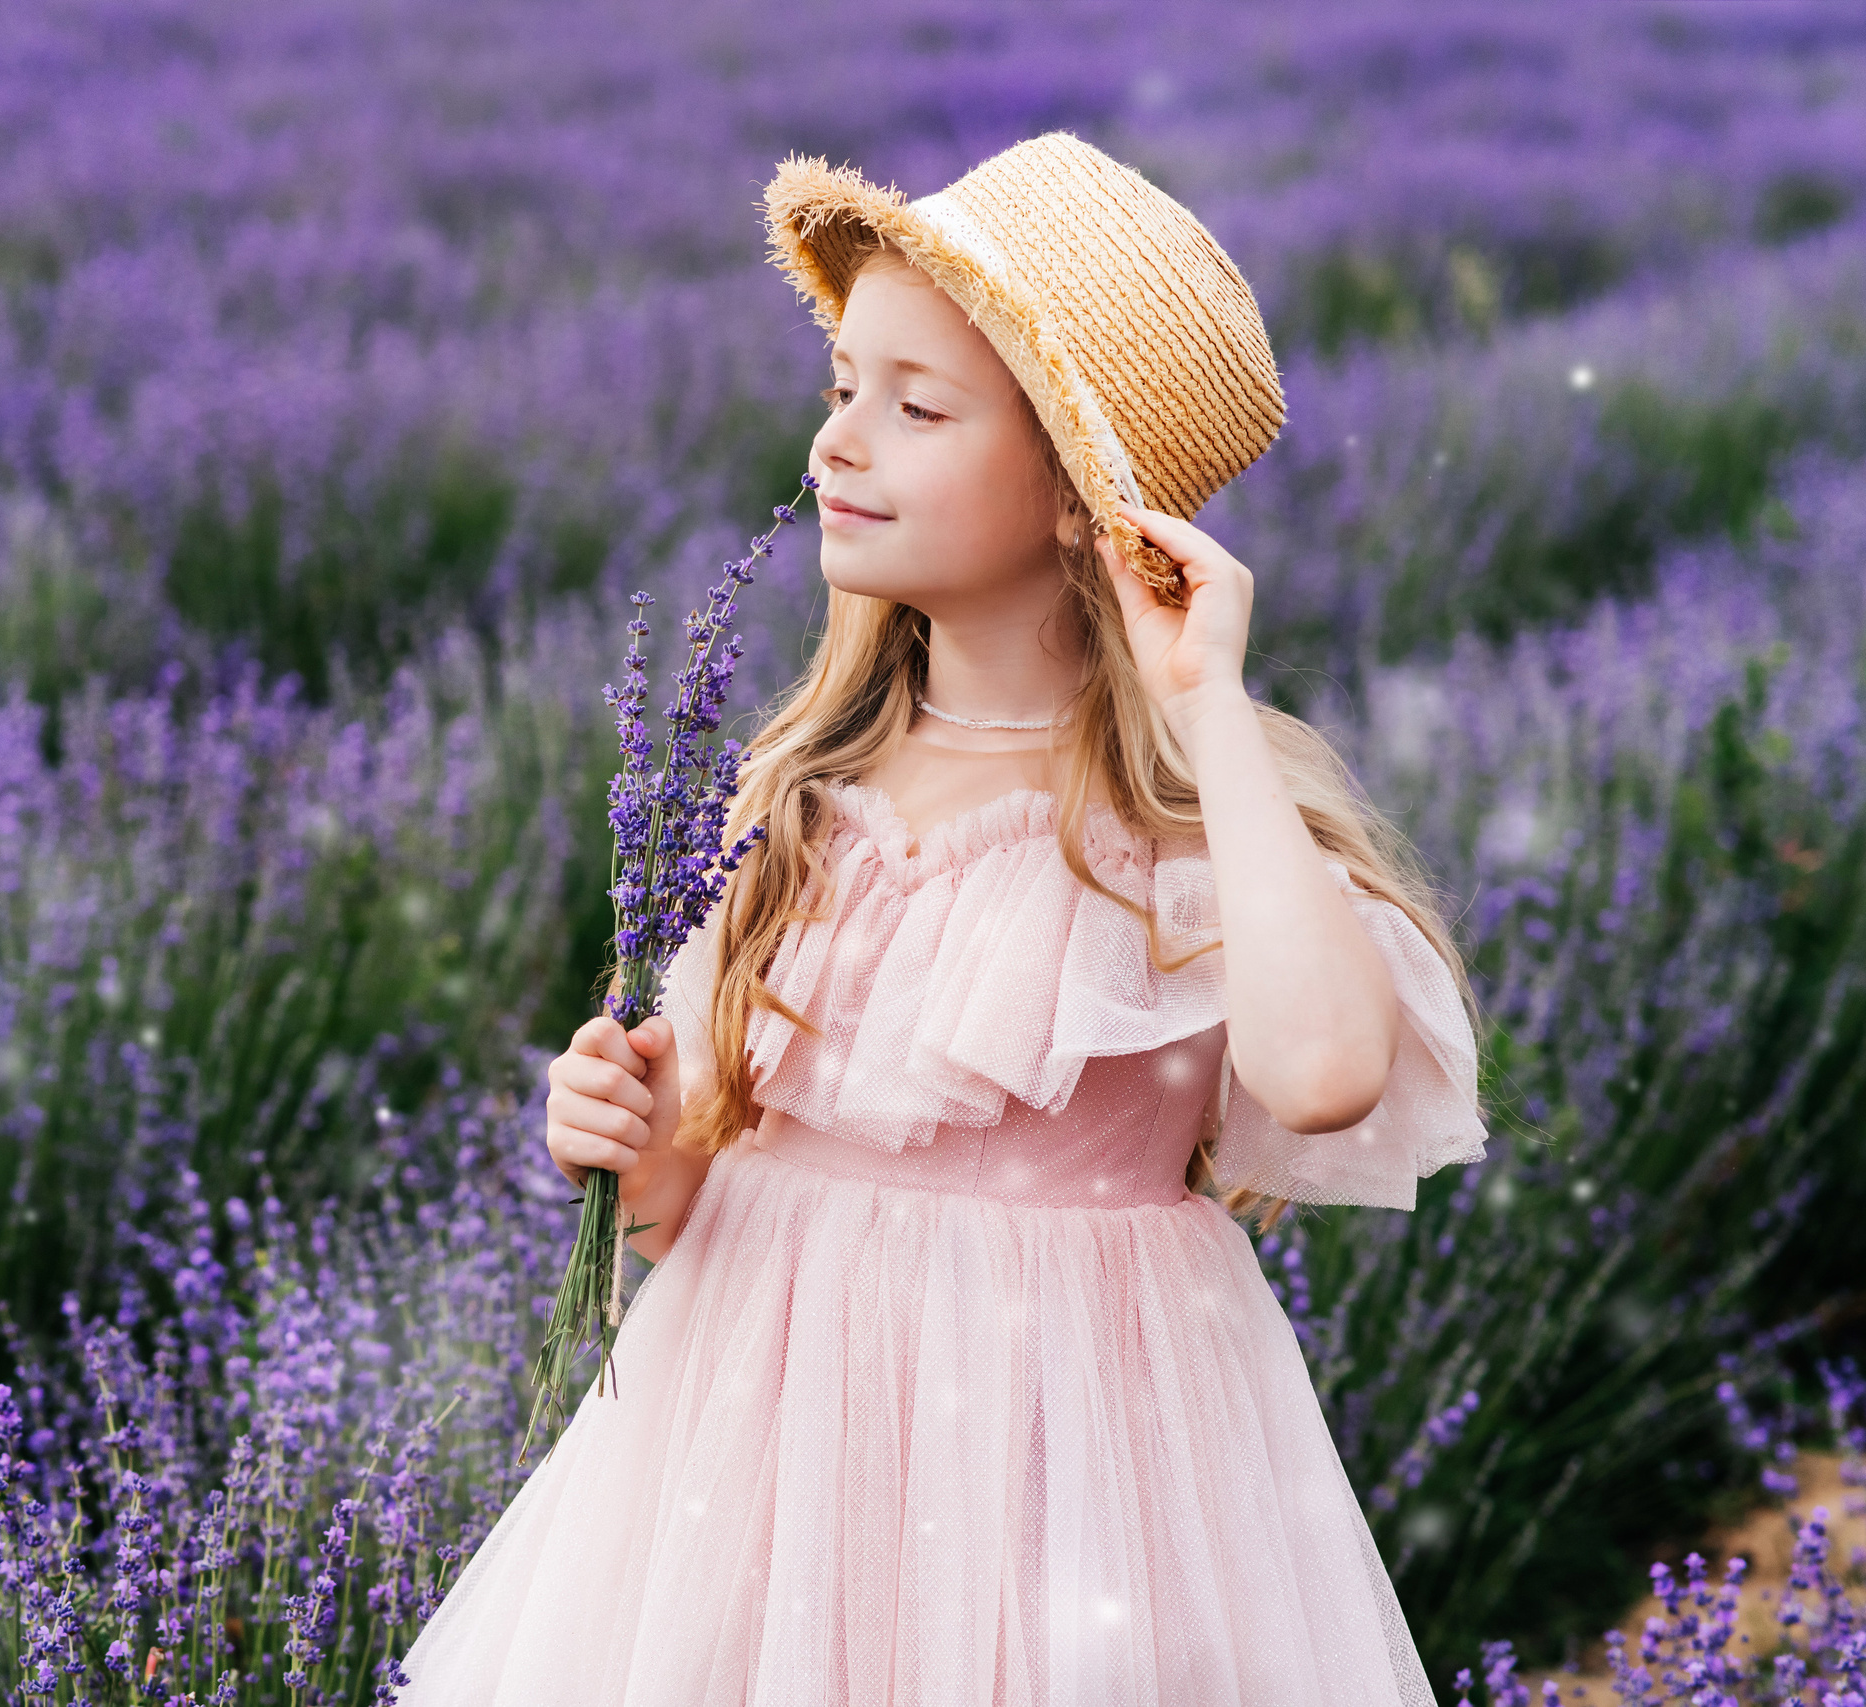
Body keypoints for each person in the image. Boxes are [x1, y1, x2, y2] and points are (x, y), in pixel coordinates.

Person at [398, 132, 1488, 1706]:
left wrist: (1215, 713)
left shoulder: (1186, 826)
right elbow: (696, 1198)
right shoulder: (793, 794)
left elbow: (1325, 1076)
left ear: (1073, 493)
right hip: (760, 1462)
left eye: (918, 407)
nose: (841, 442)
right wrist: (627, 1144)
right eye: (845, 387)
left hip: (1078, 1466)